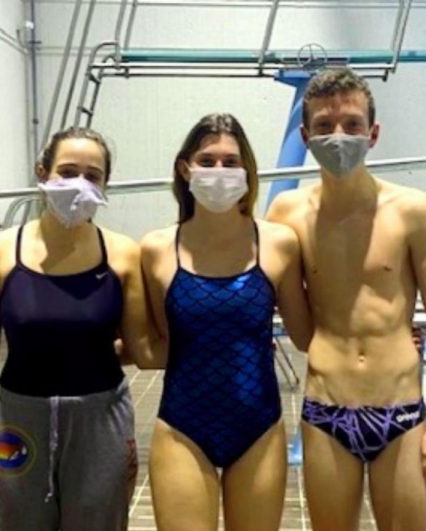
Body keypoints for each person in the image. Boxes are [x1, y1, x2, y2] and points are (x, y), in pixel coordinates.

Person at [266, 67, 426, 531]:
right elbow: (282, 309)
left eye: (352, 125)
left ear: (373, 134)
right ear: (305, 136)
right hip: (326, 408)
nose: (339, 135)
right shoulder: (287, 214)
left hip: (402, 412)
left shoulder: (413, 211)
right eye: (325, 126)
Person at [0, 127, 155, 530]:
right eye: (67, 172)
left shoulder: (122, 255)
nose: (79, 184)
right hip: (17, 421)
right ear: (43, 173)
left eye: (92, 175)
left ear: (105, 185)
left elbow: (140, 346)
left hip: (99, 422)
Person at [137, 113, 313, 531]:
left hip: (259, 427)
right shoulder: (157, 249)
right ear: (185, 168)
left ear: (247, 171)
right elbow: (158, 345)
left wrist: (392, 334)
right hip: (182, 425)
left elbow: (308, 336)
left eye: (231, 162)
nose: (219, 171)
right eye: (208, 160)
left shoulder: (278, 244)